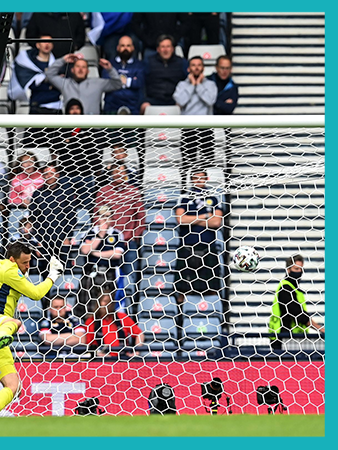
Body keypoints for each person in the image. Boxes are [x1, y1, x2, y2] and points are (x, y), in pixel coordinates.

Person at [0, 241, 64, 417]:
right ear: (12, 259)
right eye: (24, 263)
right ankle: (1, 337)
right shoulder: (8, 269)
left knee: (14, 387)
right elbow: (36, 294)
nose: (28, 267)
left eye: (29, 262)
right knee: (14, 323)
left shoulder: (10, 271)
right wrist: (53, 275)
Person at [173, 170, 224, 347]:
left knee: (212, 288)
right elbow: (180, 219)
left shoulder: (213, 198)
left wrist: (192, 219)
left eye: (202, 177)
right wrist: (204, 217)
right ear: (191, 179)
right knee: (182, 290)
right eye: (196, 177)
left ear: (206, 179)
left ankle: (211, 322)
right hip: (188, 248)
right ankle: (180, 327)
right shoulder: (184, 197)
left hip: (208, 248)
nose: (199, 180)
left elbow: (217, 222)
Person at [74, 206, 127, 320]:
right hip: (91, 273)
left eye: (108, 217)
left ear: (112, 218)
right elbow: (85, 250)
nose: (105, 219)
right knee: (88, 307)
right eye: (102, 216)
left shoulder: (117, 234)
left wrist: (95, 253)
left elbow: (117, 254)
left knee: (106, 307)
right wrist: (100, 235)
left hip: (109, 274)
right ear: (97, 217)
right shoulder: (89, 232)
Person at [173, 56, 218, 186]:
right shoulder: (182, 85)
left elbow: (210, 100)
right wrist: (192, 85)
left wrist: (198, 85)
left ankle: (210, 193)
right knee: (187, 163)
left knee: (208, 162)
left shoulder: (210, 84)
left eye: (199, 65)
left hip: (206, 128)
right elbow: (180, 102)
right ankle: (186, 191)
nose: (196, 67)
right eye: (193, 65)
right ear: (188, 68)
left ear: (203, 68)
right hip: (188, 129)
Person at [269, 254, 325, 350]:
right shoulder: (285, 288)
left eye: (301, 269)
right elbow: (298, 313)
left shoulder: (295, 290)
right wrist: (321, 329)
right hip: (284, 338)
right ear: (288, 270)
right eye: (296, 269)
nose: (299, 272)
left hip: (294, 339)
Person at [27, 165, 78, 268]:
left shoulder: (66, 192)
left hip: (62, 238)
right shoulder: (38, 194)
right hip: (44, 239)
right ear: (43, 176)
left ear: (57, 175)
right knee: (45, 270)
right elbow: (34, 218)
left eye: (51, 173)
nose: (49, 176)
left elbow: (71, 217)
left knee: (64, 269)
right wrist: (38, 240)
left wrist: (68, 236)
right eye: (46, 174)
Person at [44, 53, 122, 114]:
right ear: (72, 70)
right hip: (70, 129)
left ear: (88, 71)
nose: (80, 69)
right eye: (78, 66)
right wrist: (63, 60)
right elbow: (49, 74)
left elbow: (117, 84)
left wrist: (110, 69)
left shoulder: (97, 83)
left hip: (92, 129)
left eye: (84, 67)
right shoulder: (65, 83)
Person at [83, 286, 144, 357]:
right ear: (98, 303)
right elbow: (89, 345)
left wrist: (136, 352)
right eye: (105, 301)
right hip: (102, 360)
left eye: (109, 302)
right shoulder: (91, 321)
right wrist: (98, 354)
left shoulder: (122, 317)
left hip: (123, 358)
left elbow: (139, 334)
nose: (107, 305)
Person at [8, 34, 62, 114]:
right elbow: (28, 83)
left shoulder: (58, 64)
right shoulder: (26, 62)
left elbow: (62, 83)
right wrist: (51, 81)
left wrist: (43, 81)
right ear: (38, 45)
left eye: (49, 42)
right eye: (44, 42)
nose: (47, 44)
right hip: (36, 107)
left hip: (56, 107)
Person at [140, 35, 188, 114]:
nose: (165, 50)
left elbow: (187, 82)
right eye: (163, 47)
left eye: (168, 47)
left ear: (173, 49)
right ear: (158, 49)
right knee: (144, 106)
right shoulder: (148, 62)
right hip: (153, 99)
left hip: (174, 100)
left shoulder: (181, 62)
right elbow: (142, 82)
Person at [102, 35, 145, 115]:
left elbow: (139, 82)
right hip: (112, 105)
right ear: (117, 48)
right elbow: (107, 82)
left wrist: (117, 81)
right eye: (122, 46)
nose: (125, 48)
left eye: (128, 46)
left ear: (133, 48)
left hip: (133, 106)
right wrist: (130, 81)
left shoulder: (140, 65)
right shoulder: (109, 64)